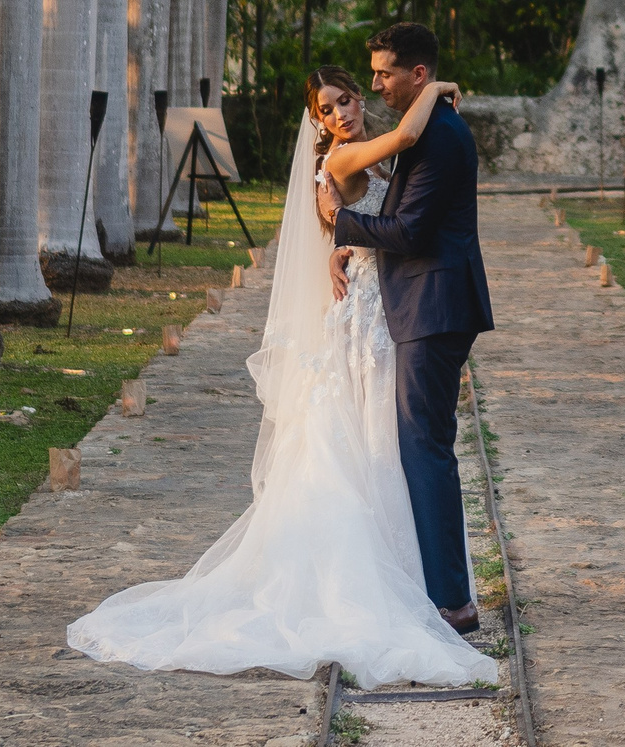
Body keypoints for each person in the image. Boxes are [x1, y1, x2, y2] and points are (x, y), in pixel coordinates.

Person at [65, 63, 495, 689]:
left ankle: (418, 579)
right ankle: (385, 586)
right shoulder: (345, 161)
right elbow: (400, 143)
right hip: (369, 319)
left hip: (389, 307)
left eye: (348, 99)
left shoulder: (372, 155)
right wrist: (434, 89)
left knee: (396, 443)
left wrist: (346, 246)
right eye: (330, 109)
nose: (344, 112)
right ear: (318, 122)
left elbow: (382, 208)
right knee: (374, 442)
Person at [317, 21, 495, 635]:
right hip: (419, 302)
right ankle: (439, 586)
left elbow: (413, 233)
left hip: (432, 303)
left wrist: (343, 226)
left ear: (415, 74)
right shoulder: (427, 127)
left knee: (425, 449)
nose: (373, 84)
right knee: (423, 446)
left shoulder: (438, 136)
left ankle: (452, 601)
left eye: (383, 73)